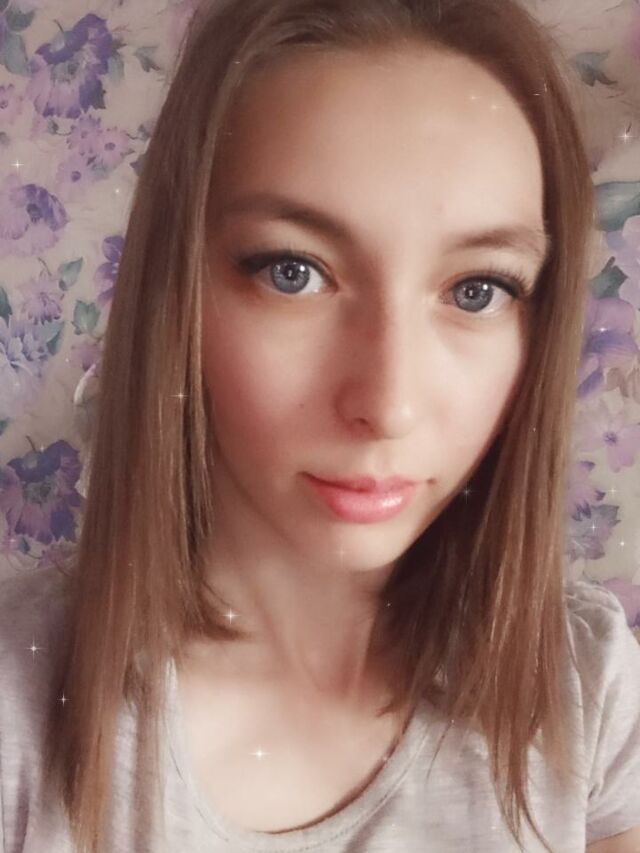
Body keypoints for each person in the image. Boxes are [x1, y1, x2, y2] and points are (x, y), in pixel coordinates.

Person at [1, 0, 639, 850]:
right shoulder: (16, 710)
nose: (389, 403)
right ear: (176, 293)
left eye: (477, 289)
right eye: (293, 272)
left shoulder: (584, 687)